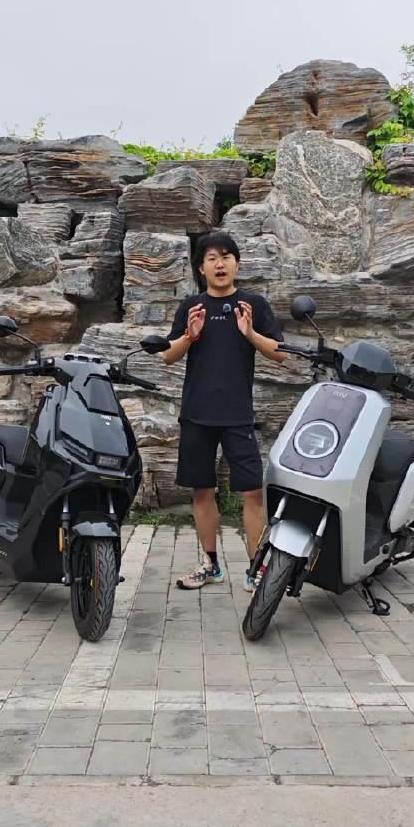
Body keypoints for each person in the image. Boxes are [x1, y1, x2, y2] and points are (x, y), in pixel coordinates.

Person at [163, 231, 288, 591]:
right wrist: (189, 336)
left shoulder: (253, 305)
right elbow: (168, 356)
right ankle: (210, 565)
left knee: (253, 493)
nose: (220, 264)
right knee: (202, 491)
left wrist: (250, 333)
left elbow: (280, 354)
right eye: (212, 258)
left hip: (238, 416)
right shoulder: (192, 306)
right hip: (197, 415)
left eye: (226, 256)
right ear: (201, 268)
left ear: (237, 264)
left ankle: (256, 569)